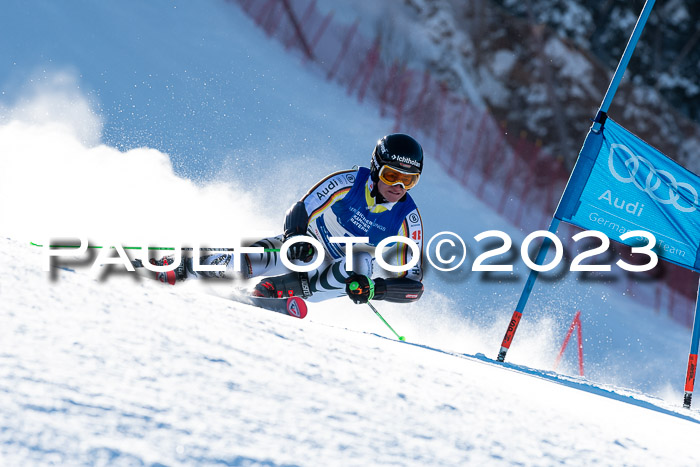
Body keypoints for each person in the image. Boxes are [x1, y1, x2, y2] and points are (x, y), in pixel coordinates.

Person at [156, 133, 425, 305]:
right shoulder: (349, 181)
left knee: (361, 262)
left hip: (340, 274)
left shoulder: (408, 219)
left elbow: (413, 286)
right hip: (308, 249)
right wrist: (294, 236)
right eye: (391, 176)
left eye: (409, 180)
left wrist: (374, 290)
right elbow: (302, 208)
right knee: (248, 262)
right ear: (377, 169)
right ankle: (183, 267)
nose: (398, 187)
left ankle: (284, 290)